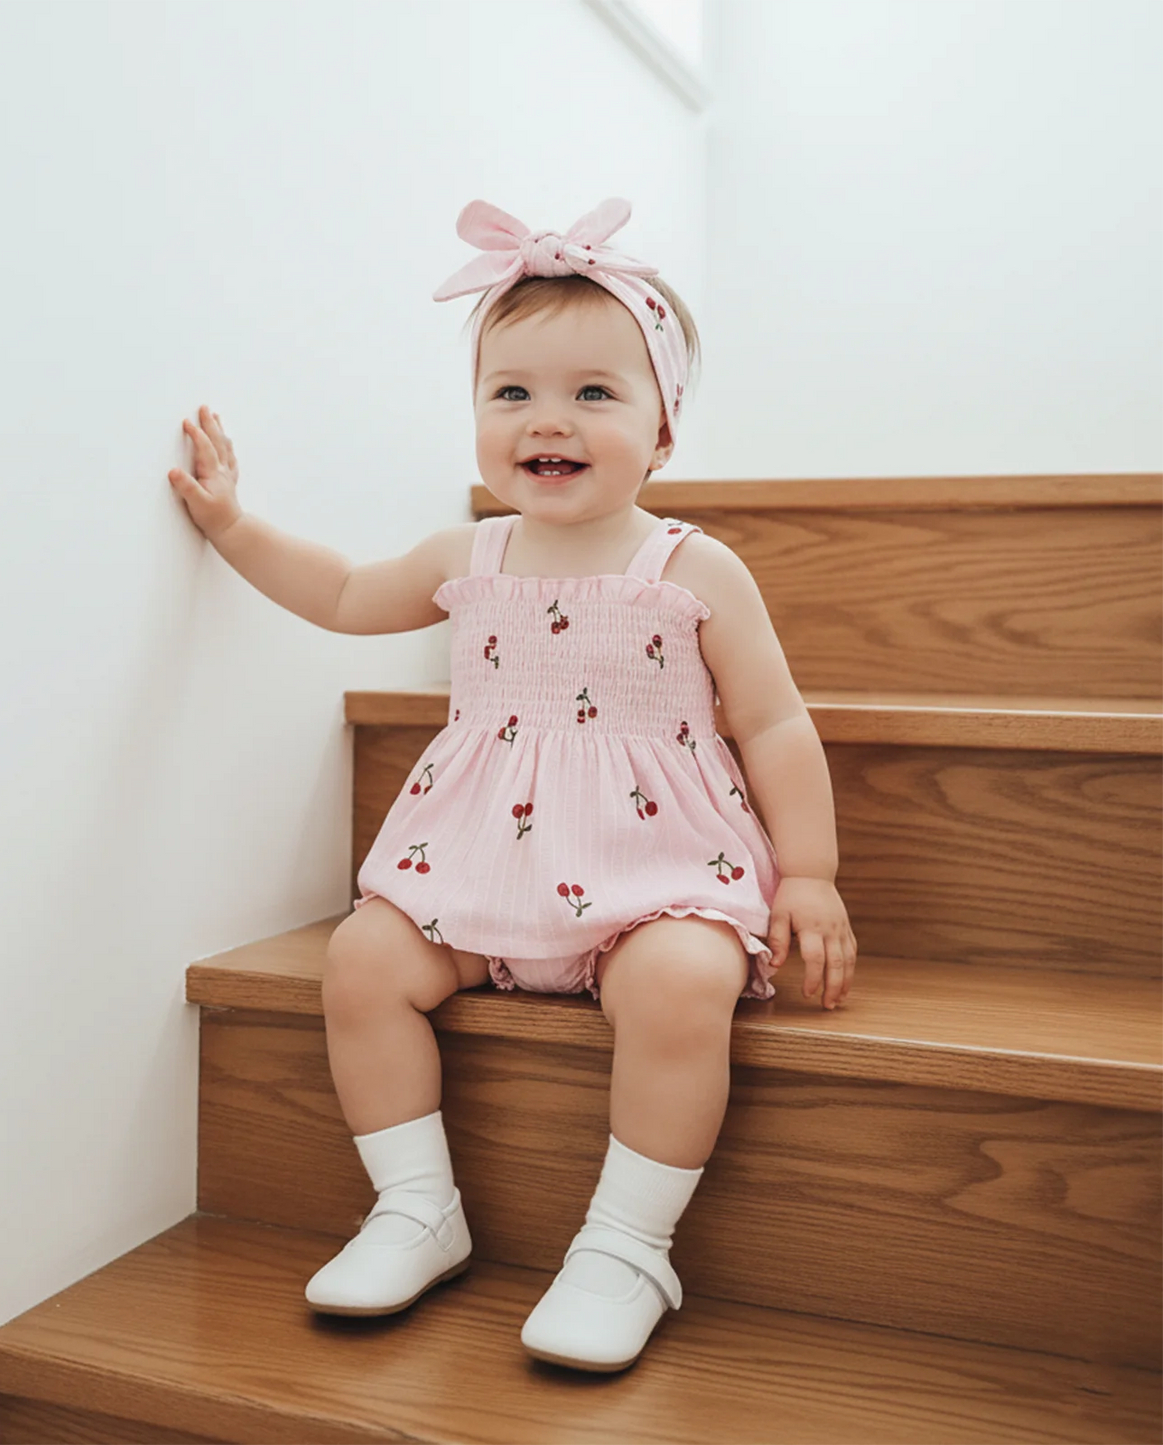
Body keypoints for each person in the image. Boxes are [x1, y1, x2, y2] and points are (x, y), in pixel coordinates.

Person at [167, 197, 858, 1373]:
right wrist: (235, 529)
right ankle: (414, 1206)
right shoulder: (464, 557)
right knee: (363, 959)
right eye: (512, 392)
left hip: (652, 872)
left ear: (663, 430)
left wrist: (813, 871)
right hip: (482, 860)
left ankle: (627, 1245)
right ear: (477, 419)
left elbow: (773, 722)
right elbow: (340, 593)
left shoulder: (691, 567)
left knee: (682, 981)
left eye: (595, 392)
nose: (549, 419)